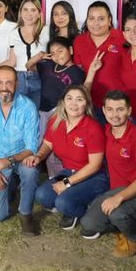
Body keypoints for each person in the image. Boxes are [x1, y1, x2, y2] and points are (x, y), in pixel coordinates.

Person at [80, 91, 136, 258]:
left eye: (120, 109)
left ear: (129, 111)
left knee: (117, 214)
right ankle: (126, 223)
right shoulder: (105, 131)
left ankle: (135, 237)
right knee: (88, 223)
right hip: (114, 190)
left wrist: (119, 198)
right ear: (104, 111)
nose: (115, 115)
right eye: (110, 109)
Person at [30, 85, 108, 230]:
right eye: (69, 98)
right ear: (63, 102)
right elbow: (48, 144)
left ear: (87, 104)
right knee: (41, 195)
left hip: (93, 176)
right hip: (68, 171)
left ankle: (86, 209)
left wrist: (66, 183)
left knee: (63, 203)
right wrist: (38, 156)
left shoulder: (93, 128)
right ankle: (74, 199)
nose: (73, 104)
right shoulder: (56, 121)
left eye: (79, 99)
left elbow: (95, 165)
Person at [0, 65, 40, 235]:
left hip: (20, 158)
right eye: (0, 82)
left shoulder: (28, 107)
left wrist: (9, 160)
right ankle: (11, 186)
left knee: (30, 171)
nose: (4, 87)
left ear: (17, 83)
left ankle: (25, 214)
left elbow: (31, 147)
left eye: (9, 82)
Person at [29, 37, 86, 177]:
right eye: (53, 53)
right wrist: (40, 56)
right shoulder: (48, 64)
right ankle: (50, 178)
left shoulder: (77, 72)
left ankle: (61, 177)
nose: (57, 55)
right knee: (41, 144)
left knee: (55, 147)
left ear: (71, 50)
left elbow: (78, 95)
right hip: (44, 110)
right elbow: (29, 66)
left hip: (59, 112)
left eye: (61, 51)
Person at [73, 1, 126, 123]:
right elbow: (79, 71)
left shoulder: (122, 38)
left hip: (117, 104)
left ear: (109, 20)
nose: (96, 23)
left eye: (101, 19)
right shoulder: (79, 41)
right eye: (91, 18)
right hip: (90, 104)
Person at [5, 0, 48, 109]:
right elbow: (12, 61)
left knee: (38, 113)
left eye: (33, 10)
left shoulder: (46, 31)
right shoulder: (14, 33)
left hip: (41, 77)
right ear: (20, 12)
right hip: (19, 79)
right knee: (19, 113)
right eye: (25, 9)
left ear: (39, 13)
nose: (29, 14)